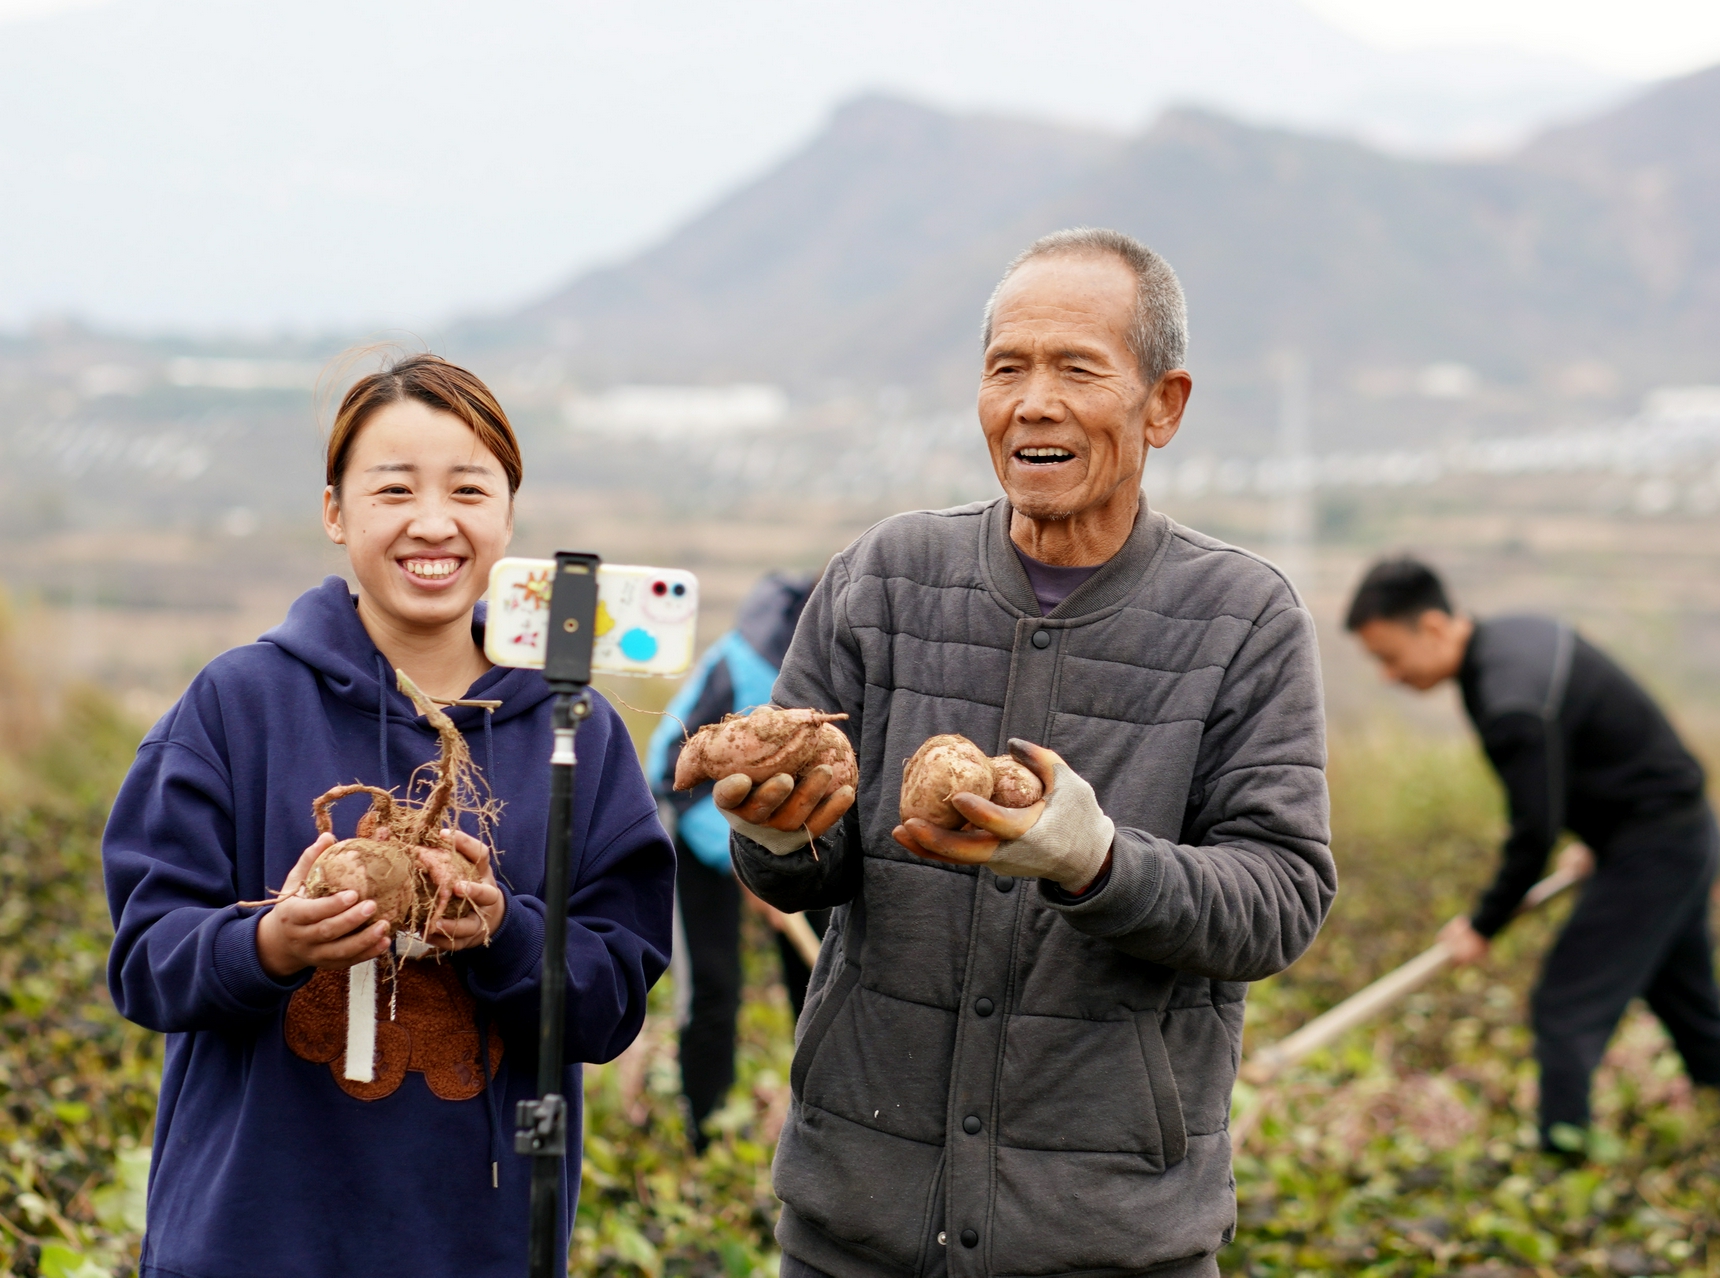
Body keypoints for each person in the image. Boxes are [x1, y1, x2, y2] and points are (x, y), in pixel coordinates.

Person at [703, 227, 1336, 1278]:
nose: (1032, 401)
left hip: (1107, 1235)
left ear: (1163, 404)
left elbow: (1277, 898)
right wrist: (774, 830)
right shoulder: (884, 578)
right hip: (857, 1224)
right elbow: (809, 865)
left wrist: (1094, 860)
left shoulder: (1240, 618)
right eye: (1007, 369)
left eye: (1075, 369)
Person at [101, 354, 675, 1278]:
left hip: (476, 1247)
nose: (434, 522)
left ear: (508, 515)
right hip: (253, 1240)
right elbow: (144, 963)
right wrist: (272, 947)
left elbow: (610, 1005)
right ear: (335, 511)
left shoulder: (576, 735)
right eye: (394, 490)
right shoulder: (237, 706)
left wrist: (505, 932)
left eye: (469, 490)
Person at [1344, 556, 1720, 1151]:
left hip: (1658, 843)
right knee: (1687, 997)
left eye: (1389, 657)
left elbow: (1533, 831)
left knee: (1565, 1005)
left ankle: (1563, 1164)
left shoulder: (1509, 700)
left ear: (1431, 628)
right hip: (1672, 827)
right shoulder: (1512, 641)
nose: (1387, 675)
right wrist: (1598, 834)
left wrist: (1483, 924)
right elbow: (1596, 752)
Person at [645, 570, 828, 1151]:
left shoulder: (846, 666)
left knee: (819, 978)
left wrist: (782, 857)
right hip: (700, 832)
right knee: (715, 988)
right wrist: (739, 860)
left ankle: (818, 1125)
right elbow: (668, 772)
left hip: (802, 837)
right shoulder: (740, 664)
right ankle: (706, 1129)